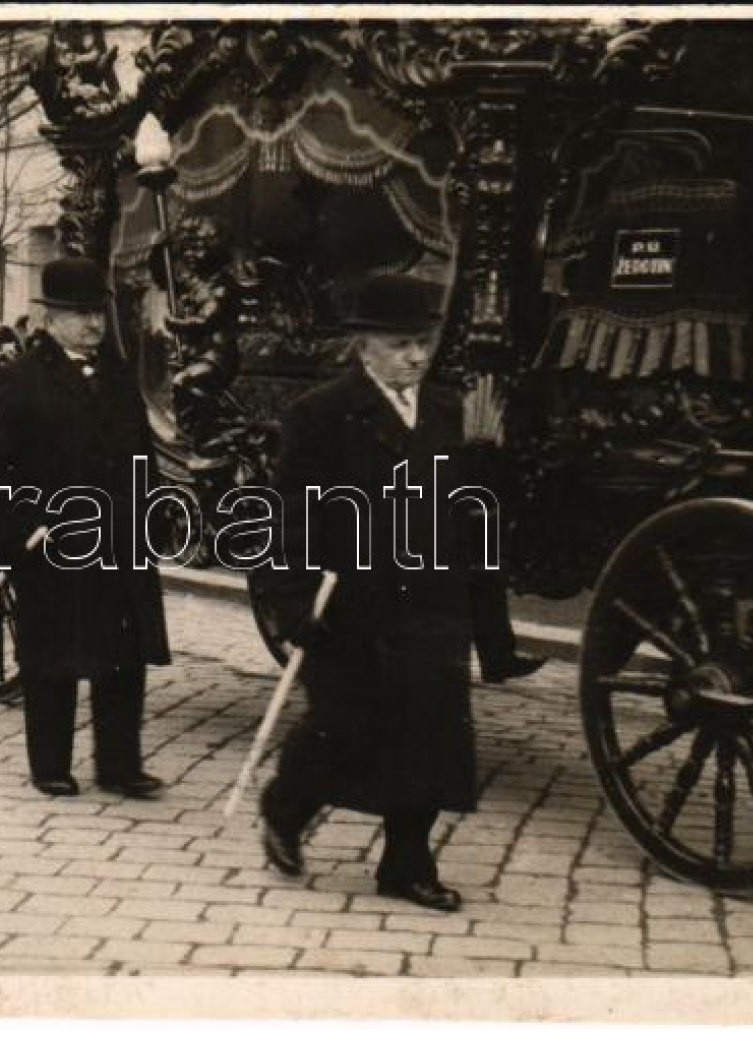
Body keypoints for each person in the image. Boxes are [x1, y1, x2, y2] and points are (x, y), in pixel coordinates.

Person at [253, 273, 499, 913]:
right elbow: (293, 518)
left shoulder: (447, 410)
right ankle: (286, 805)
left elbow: (467, 506)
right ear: (363, 347)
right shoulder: (322, 414)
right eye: (400, 345)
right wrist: (293, 602)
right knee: (344, 727)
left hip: (432, 599)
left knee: (430, 731)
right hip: (353, 604)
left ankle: (406, 865)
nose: (416, 357)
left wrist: (482, 472)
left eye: (422, 342)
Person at [0, 257, 171, 799]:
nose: (93, 326)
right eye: (80, 315)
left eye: (98, 315)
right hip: (53, 543)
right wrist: (23, 527)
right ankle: (51, 764)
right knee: (52, 657)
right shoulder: (20, 380)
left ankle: (120, 764)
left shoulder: (118, 378)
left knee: (122, 656)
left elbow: (140, 455)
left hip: (119, 540)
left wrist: (149, 511)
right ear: (52, 319)